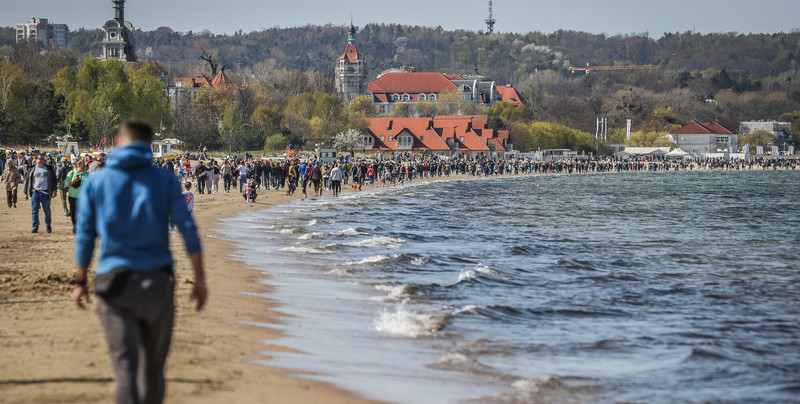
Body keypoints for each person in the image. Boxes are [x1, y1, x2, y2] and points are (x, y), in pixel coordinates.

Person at [72, 120, 206, 404]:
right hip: (157, 283)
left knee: (125, 372)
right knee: (153, 373)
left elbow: (85, 235)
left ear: (119, 143)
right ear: (150, 147)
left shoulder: (97, 181)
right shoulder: (165, 179)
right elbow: (187, 229)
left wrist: (80, 281)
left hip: (114, 284)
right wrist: (200, 280)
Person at [24, 154, 58, 233]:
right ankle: (35, 227)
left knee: (47, 210)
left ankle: (48, 225)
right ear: (35, 160)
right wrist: (25, 193)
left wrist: (54, 190)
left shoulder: (49, 169)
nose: (42, 160)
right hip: (35, 193)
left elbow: (54, 180)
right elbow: (27, 182)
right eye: (40, 158)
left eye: (43, 158)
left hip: (45, 193)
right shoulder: (32, 170)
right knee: (34, 210)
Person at [65, 160, 88, 234]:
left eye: (84, 165)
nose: (84, 166)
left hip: (83, 197)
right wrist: (74, 181)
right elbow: (66, 184)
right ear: (77, 165)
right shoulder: (71, 173)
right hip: (73, 196)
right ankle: (75, 226)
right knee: (74, 212)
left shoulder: (86, 174)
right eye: (82, 165)